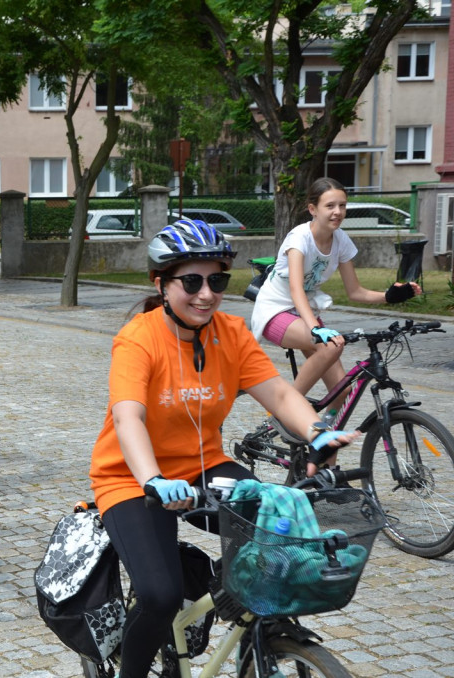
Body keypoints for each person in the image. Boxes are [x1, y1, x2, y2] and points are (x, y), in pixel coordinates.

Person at [90, 219, 356, 678]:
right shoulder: (139, 337)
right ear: (161, 283)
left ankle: (259, 635)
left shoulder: (230, 333)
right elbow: (126, 416)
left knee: (280, 544)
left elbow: (278, 394)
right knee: (158, 594)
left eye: (217, 280)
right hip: (132, 478)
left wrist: (319, 431)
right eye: (191, 281)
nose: (206, 293)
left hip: (205, 467)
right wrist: (153, 479)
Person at [250, 178, 421, 417]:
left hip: (305, 314)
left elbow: (355, 291)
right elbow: (297, 289)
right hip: (276, 311)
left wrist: (389, 296)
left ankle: (322, 438)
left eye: (342, 205)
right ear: (313, 209)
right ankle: (284, 410)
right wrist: (315, 329)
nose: (338, 212)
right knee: (331, 347)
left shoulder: (341, 240)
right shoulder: (299, 238)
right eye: (330, 206)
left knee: (341, 392)